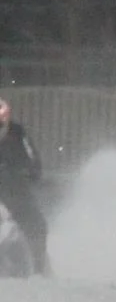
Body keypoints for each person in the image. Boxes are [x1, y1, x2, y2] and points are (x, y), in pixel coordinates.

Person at [0, 99, 50, 275]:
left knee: (38, 224)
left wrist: (32, 171)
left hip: (14, 187)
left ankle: (39, 266)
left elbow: (32, 156)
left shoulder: (18, 133)